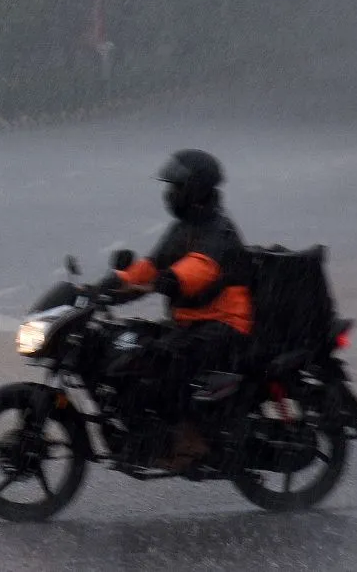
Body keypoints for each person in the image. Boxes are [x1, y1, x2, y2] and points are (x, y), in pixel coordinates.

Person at [102, 149, 254, 472]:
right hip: (192, 322)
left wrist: (170, 280)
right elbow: (152, 265)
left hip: (225, 324)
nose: (169, 194)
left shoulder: (218, 231)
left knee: (166, 362)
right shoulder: (184, 228)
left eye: (175, 187)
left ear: (195, 190)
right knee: (134, 349)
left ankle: (190, 439)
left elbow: (199, 268)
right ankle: (147, 432)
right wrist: (110, 286)